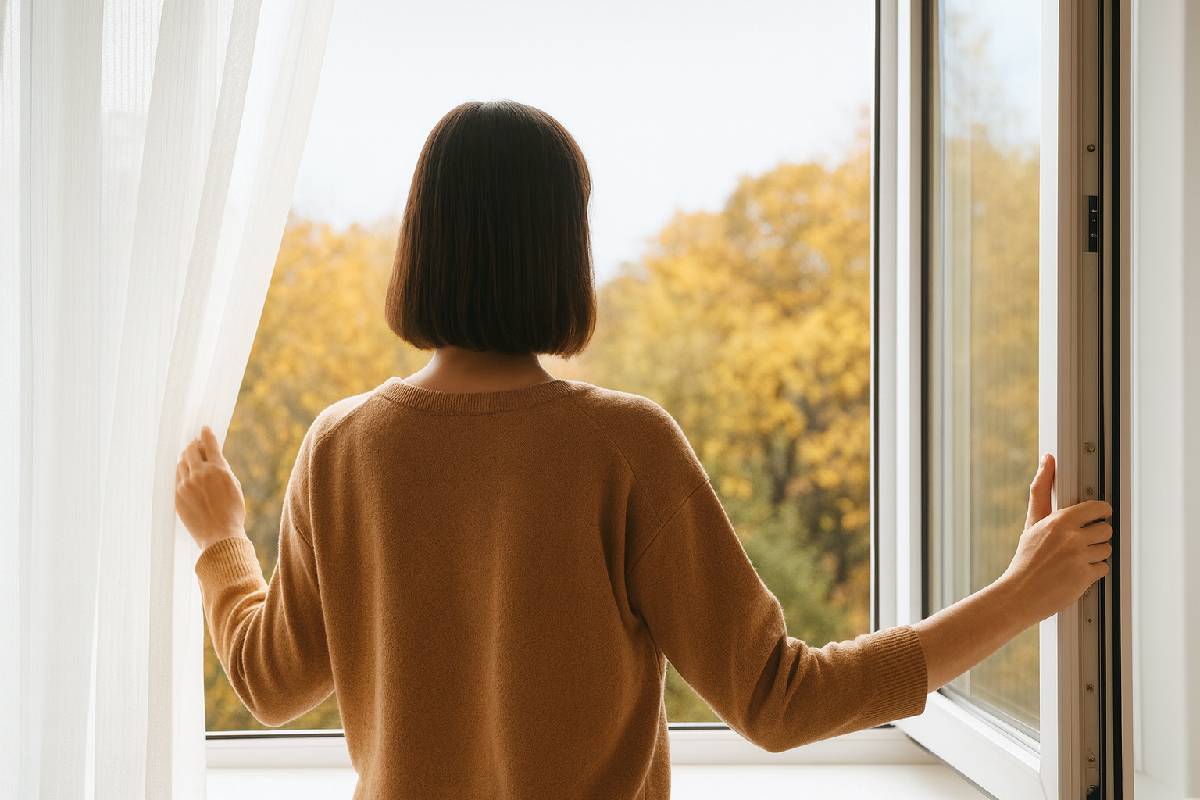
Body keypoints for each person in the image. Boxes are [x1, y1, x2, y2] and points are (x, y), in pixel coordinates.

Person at [175, 99, 1113, 799]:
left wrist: (223, 543)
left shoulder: (342, 448)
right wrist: (1022, 595)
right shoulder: (620, 447)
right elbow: (779, 700)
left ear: (421, 244)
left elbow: (268, 681)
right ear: (562, 253)